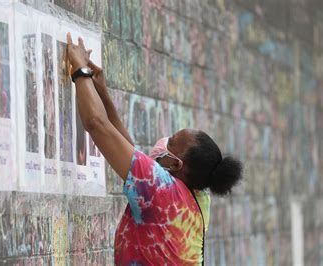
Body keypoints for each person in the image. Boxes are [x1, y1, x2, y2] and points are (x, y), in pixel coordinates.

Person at [65, 33, 243, 265]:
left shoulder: (164, 192)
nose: (163, 142)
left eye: (171, 142)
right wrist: (104, 95)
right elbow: (129, 153)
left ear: (176, 164)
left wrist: (80, 69)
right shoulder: (197, 195)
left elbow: (96, 125)